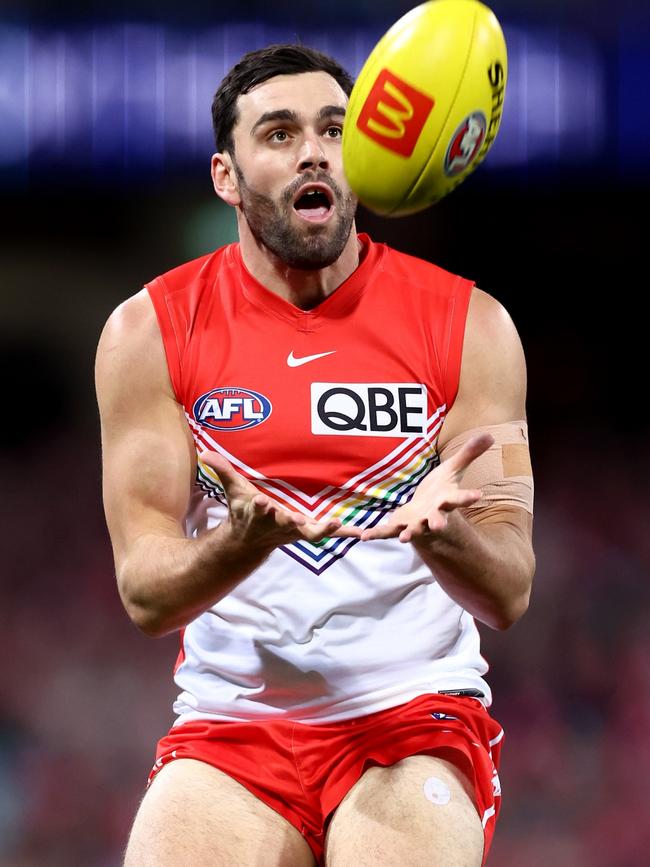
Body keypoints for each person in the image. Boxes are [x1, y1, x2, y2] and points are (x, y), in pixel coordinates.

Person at [95, 43, 535, 867]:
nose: (314, 149)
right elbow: (146, 594)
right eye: (280, 132)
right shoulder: (147, 332)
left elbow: (509, 587)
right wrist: (238, 542)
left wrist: (445, 535)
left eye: (335, 128)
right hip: (232, 730)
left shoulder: (471, 327)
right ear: (226, 176)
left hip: (413, 720)